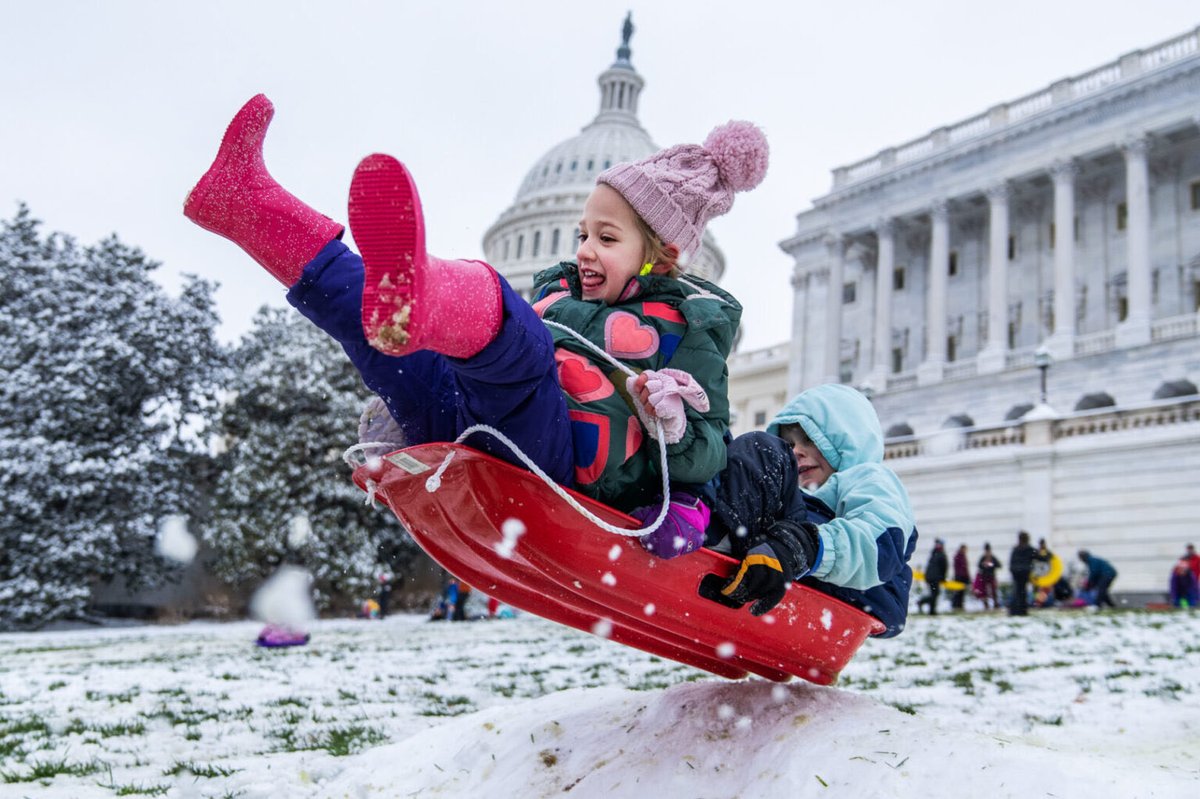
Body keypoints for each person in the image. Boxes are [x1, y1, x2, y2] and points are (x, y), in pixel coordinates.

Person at [184, 95, 766, 533]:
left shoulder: (691, 327)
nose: (584, 249)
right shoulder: (558, 291)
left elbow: (711, 448)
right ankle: (246, 204)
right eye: (582, 232)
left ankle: (431, 293)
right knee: (382, 340)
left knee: (524, 349)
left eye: (607, 238)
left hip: (556, 467)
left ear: (659, 254)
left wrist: (673, 423)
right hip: (468, 419)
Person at [693, 384, 917, 638]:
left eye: (811, 440)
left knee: (762, 450)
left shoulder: (867, 477)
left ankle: (716, 537)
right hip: (801, 570)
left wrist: (804, 546)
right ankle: (690, 512)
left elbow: (880, 543)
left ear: (848, 440)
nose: (797, 451)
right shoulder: (799, 495)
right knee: (722, 450)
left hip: (872, 586)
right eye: (789, 442)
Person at [917, 539, 949, 616]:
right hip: (935, 578)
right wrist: (943, 578)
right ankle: (924, 604)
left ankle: (931, 610)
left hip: (929, 577)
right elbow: (944, 567)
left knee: (934, 593)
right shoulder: (941, 555)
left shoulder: (933, 554)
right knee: (935, 594)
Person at [1009, 531, 1035, 616]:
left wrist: (1013, 570)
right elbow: (1039, 556)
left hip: (1016, 572)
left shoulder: (1016, 549)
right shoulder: (1029, 549)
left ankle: (1014, 610)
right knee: (1022, 592)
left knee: (1017, 591)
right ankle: (1022, 610)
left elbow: (1012, 561)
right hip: (1024, 572)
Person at [975, 543, 1002, 610]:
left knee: (994, 591)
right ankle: (986, 604)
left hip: (991, 576)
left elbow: (999, 565)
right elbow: (979, 566)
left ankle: (995, 604)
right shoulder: (983, 558)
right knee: (984, 592)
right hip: (984, 577)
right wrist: (984, 565)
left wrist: (990, 564)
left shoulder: (993, 558)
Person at [950, 544, 970, 611]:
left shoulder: (962, 556)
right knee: (958, 592)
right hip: (960, 577)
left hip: (962, 577)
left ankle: (959, 605)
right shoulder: (959, 556)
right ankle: (956, 605)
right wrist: (963, 576)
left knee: (961, 593)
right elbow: (961, 568)